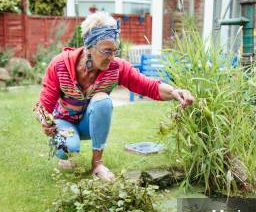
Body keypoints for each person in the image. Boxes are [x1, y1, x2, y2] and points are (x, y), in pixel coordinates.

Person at [35, 12, 194, 181]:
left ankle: (97, 164)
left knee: (102, 99)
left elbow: (148, 86)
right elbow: (42, 107)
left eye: (115, 51)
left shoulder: (116, 67)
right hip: (64, 122)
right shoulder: (60, 65)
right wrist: (44, 120)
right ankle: (66, 154)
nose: (112, 57)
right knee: (68, 148)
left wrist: (175, 92)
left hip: (90, 124)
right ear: (89, 46)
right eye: (107, 51)